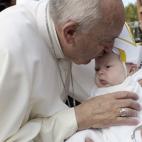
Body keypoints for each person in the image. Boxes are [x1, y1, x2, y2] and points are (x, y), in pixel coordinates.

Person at [0, 0, 140, 142]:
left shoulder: (81, 28)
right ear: (70, 33)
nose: (109, 50)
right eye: (105, 41)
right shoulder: (8, 51)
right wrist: (78, 117)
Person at [66, 23, 142, 142]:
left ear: (131, 69)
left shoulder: (133, 82)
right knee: (79, 137)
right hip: (105, 135)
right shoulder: (96, 91)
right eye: (97, 69)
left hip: (133, 130)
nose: (100, 72)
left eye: (107, 67)